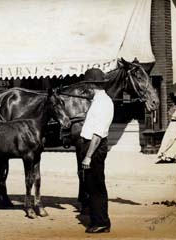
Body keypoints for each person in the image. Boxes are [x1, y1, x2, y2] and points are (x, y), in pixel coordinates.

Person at [79, 69, 113, 233]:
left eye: (87, 84)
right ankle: (96, 219)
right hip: (91, 146)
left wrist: (88, 156)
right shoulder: (97, 101)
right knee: (91, 185)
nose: (86, 88)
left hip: (95, 148)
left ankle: (102, 222)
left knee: (96, 185)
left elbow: (98, 134)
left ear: (92, 84)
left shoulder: (104, 103)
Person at [157, 93, 176, 163]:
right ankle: (167, 155)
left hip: (175, 126)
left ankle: (173, 156)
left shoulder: (174, 108)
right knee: (172, 140)